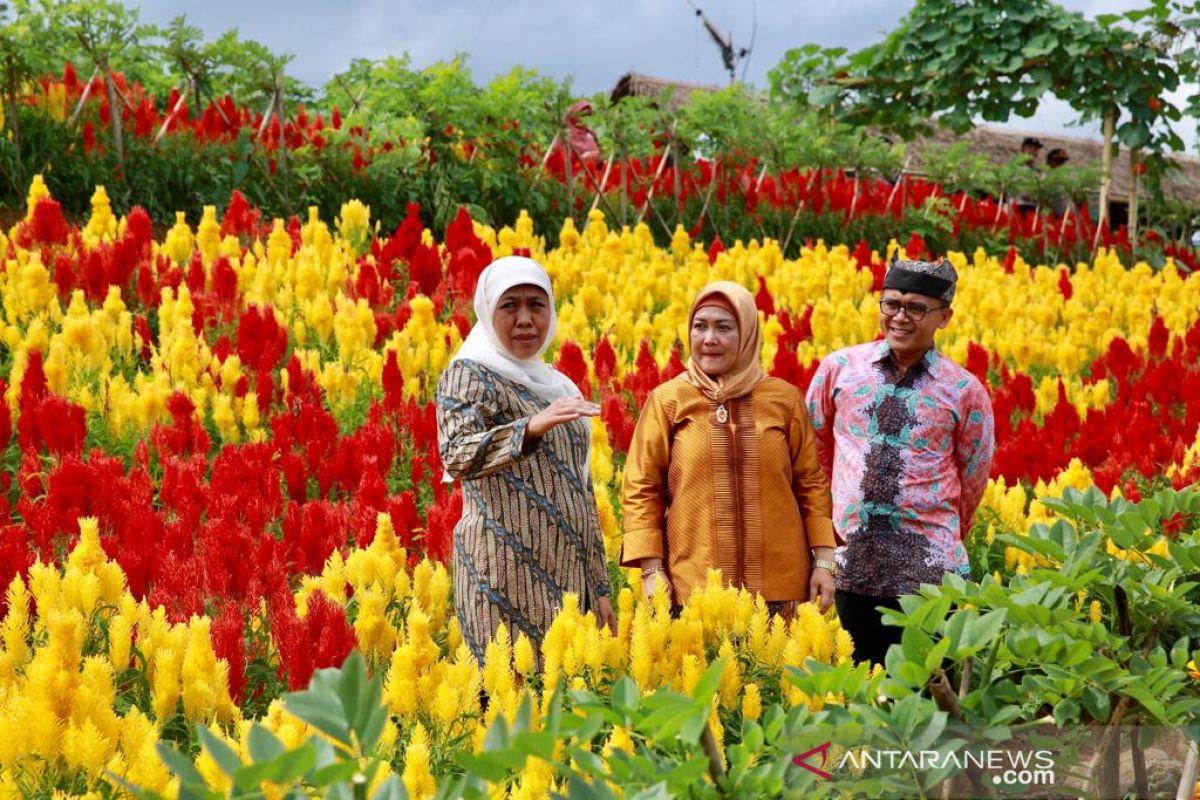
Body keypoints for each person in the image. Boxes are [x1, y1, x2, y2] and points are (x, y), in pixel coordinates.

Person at [805, 257, 995, 666]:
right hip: (850, 565)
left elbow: (974, 476)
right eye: (891, 304)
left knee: (924, 697)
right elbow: (810, 450)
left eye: (916, 308)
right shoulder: (839, 369)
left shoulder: (964, 390)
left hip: (929, 577)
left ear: (945, 317)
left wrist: (936, 535)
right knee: (849, 694)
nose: (900, 317)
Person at [436, 255, 616, 666]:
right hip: (502, 580)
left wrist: (600, 588)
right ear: (487, 310)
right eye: (509, 305)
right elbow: (456, 454)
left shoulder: (558, 385)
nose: (524, 319)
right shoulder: (469, 373)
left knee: (564, 708)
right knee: (507, 703)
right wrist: (528, 428)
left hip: (570, 584)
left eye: (536, 305)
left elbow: (581, 491)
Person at [620, 281, 837, 617]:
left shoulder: (784, 399)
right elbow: (641, 488)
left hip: (780, 586)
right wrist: (651, 570)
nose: (709, 339)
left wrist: (824, 561)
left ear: (747, 333)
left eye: (724, 327)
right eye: (700, 326)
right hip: (694, 585)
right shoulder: (668, 400)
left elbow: (811, 483)